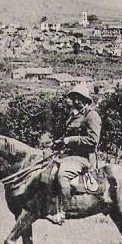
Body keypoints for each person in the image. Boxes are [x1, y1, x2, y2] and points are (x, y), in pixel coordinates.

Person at [46, 84, 101, 225]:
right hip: (68, 155)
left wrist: (69, 140)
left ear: (84, 100)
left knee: (62, 174)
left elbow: (92, 141)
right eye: (73, 98)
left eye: (77, 98)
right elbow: (67, 136)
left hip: (83, 158)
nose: (74, 101)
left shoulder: (91, 116)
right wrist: (58, 143)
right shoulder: (73, 116)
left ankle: (62, 212)